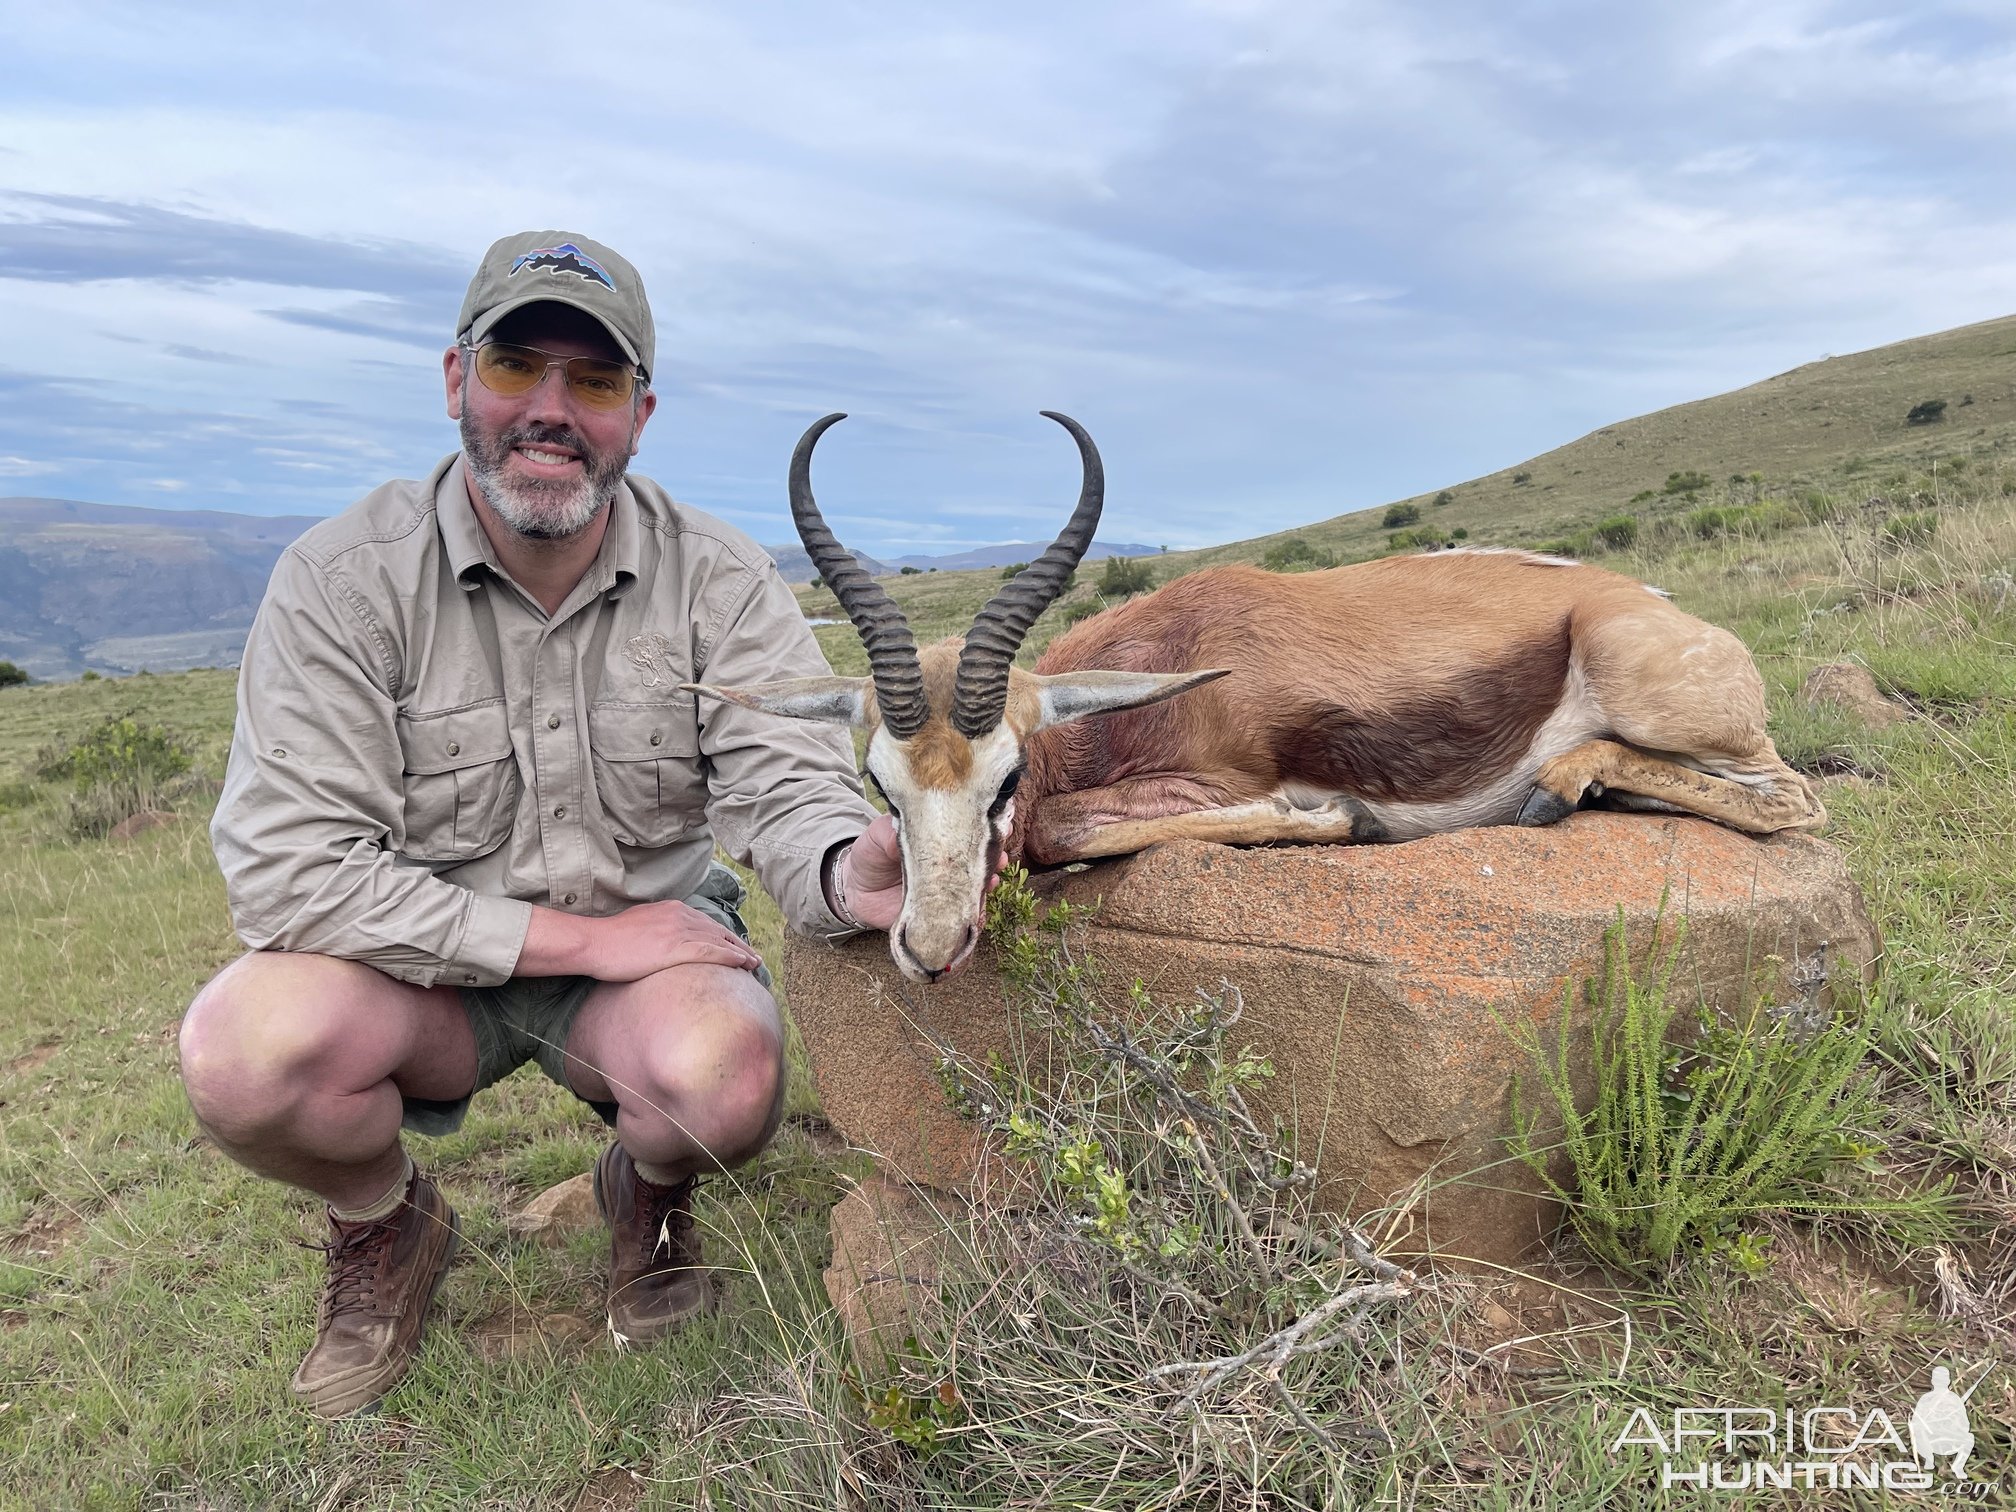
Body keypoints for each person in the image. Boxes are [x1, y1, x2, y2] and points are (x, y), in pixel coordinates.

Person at [179, 231, 905, 1419]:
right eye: (520, 366)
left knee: (728, 1083)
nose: (554, 411)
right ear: (457, 378)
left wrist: (846, 862)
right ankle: (388, 1225)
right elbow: (285, 875)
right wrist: (580, 941)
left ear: (642, 411)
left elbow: (787, 779)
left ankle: (650, 1196)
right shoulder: (342, 578)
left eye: (598, 382)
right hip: (416, 974)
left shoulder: (718, 576)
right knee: (240, 1055)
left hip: (644, 966)